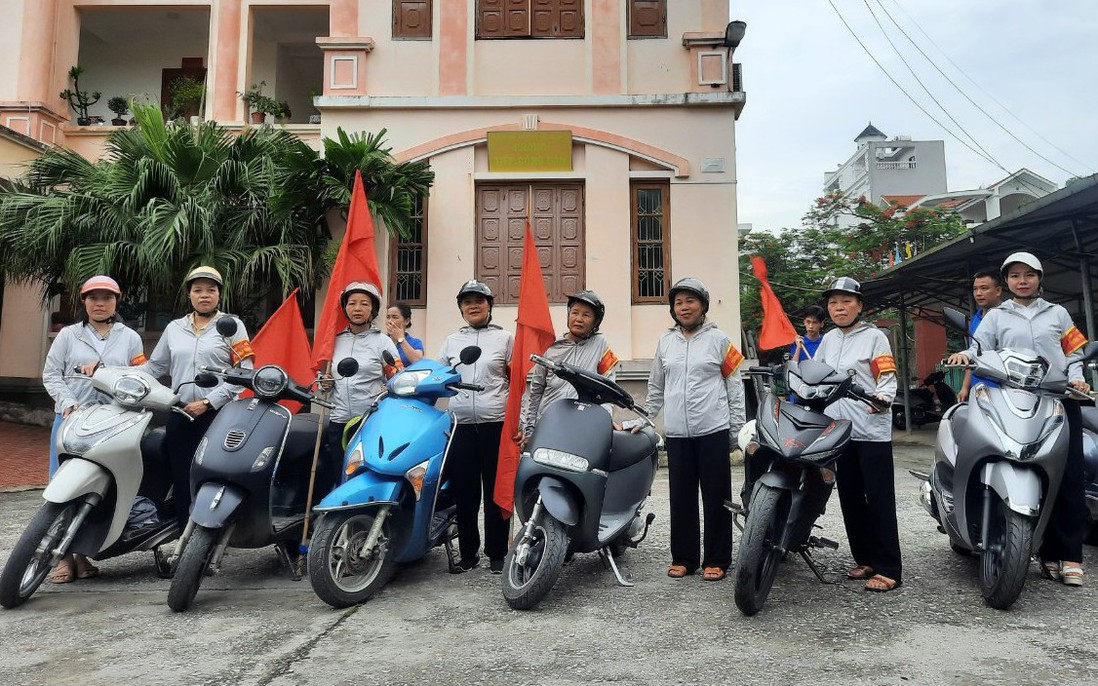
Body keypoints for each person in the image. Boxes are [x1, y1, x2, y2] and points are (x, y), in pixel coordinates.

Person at [948, 252, 1090, 587]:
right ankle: (1012, 535)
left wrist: (1078, 377)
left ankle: (1068, 554)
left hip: (1057, 398)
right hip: (1012, 397)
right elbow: (979, 348)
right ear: (1007, 282)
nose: (1022, 281)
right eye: (1014, 276)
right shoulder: (997, 316)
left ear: (1040, 278)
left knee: (1068, 475)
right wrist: (964, 355)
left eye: (1028, 275)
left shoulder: (1058, 313)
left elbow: (1075, 352)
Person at [632, 277, 745, 581]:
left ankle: (718, 559)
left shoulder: (721, 340)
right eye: (678, 303)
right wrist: (644, 419)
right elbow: (656, 387)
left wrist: (736, 432)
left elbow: (735, 387)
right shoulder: (666, 341)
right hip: (678, 433)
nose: (684, 307)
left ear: (703, 306)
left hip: (713, 430)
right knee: (681, 498)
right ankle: (684, 558)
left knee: (716, 496)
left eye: (690, 301)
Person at [41, 275, 146, 583]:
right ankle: (62, 557)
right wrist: (69, 403)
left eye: (107, 298)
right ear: (83, 302)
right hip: (72, 418)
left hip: (113, 421)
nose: (100, 303)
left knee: (97, 488)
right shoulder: (68, 336)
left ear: (117, 301)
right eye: (93, 298)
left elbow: (140, 374)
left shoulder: (130, 337)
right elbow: (51, 375)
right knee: (63, 488)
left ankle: (83, 555)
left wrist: (106, 372)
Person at [137, 266, 254, 526]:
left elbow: (243, 372)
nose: (204, 295)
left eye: (211, 290)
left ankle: (211, 535)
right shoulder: (174, 328)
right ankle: (182, 538)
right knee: (181, 475)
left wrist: (208, 402)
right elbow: (154, 367)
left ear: (219, 295)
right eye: (198, 290)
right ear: (189, 295)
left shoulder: (232, 327)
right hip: (180, 412)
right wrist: (119, 374)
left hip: (219, 415)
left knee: (212, 476)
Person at [814, 276, 903, 592]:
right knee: (850, 498)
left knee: (878, 498)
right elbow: (817, 376)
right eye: (834, 302)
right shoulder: (828, 340)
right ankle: (865, 558)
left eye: (846, 301)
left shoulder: (875, 338)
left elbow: (887, 377)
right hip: (838, 432)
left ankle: (889, 566)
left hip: (869, 430)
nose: (839, 307)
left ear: (859, 305)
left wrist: (883, 398)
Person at [437, 280, 513, 574]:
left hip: (496, 424)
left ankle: (497, 552)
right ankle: (468, 553)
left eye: (479, 301)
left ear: (490, 305)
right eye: (467, 302)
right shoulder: (451, 341)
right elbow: (437, 374)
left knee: (497, 492)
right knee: (465, 494)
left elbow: (517, 380)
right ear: (461, 308)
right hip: (461, 427)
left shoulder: (506, 339)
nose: (473, 306)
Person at [519, 290, 620, 440]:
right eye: (575, 313)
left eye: (586, 315)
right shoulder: (550, 346)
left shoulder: (600, 345)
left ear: (595, 322)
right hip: (549, 422)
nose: (578, 319)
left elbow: (608, 387)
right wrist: (529, 429)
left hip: (582, 424)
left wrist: (604, 420)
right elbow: (536, 391)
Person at [325, 283, 401, 477]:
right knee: (338, 472)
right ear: (345, 308)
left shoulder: (382, 342)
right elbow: (326, 378)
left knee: (365, 474)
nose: (357, 308)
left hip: (369, 420)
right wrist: (325, 382)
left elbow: (398, 377)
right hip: (338, 419)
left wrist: (390, 387)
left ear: (373, 309)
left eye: (364, 304)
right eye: (352, 303)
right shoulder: (334, 341)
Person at [957, 269, 1004, 403]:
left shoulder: (1009, 316)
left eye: (984, 288)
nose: (978, 293)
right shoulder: (975, 320)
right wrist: (965, 387)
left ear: (998, 290)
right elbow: (973, 355)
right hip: (980, 389)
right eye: (975, 289)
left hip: (1006, 388)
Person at [383, 301, 425, 366]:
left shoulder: (415, 342)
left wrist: (401, 338)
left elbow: (418, 361)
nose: (390, 321)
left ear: (407, 321)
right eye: (388, 317)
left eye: (394, 317)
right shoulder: (382, 341)